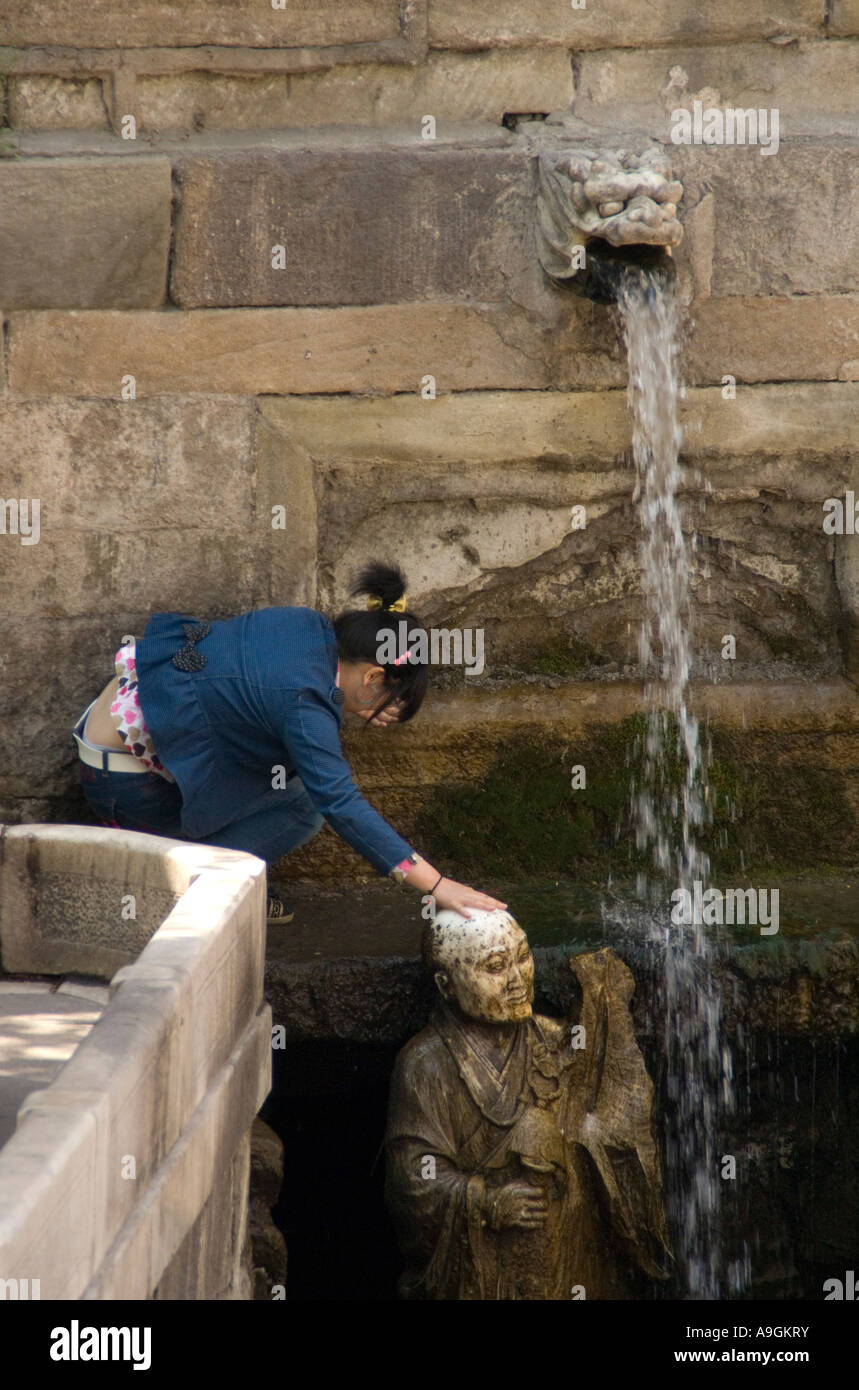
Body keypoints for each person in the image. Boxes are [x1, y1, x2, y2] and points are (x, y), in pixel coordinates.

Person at [72, 562, 506, 924]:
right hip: (125, 788)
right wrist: (437, 885)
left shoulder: (306, 624)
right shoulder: (305, 706)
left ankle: (194, 867)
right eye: (390, 704)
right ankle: (181, 884)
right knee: (306, 806)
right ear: (373, 677)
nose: (385, 718)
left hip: (112, 733)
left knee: (289, 779)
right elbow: (341, 802)